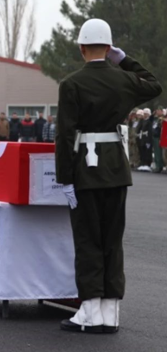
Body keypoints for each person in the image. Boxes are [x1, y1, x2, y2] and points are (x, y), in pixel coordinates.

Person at [55, 18, 162, 334]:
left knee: (88, 239)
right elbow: (154, 84)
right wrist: (124, 59)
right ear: (109, 47)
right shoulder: (124, 80)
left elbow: (64, 135)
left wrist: (65, 178)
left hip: (86, 170)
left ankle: (89, 311)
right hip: (116, 168)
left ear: (81, 47)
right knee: (112, 241)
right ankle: (111, 312)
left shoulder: (72, 83)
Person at [151, 108, 164, 173]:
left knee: (159, 153)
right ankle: (157, 166)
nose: (157, 112)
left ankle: (160, 166)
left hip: (159, 137)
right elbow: (150, 121)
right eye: (156, 110)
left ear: (162, 111)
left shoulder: (162, 118)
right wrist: (152, 115)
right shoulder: (155, 118)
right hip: (155, 136)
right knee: (156, 152)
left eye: (159, 110)